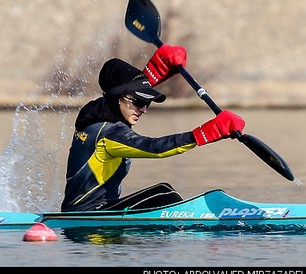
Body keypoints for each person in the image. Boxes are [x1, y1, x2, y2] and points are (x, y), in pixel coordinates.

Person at [60, 45, 246, 212]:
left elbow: (125, 91)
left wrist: (156, 70)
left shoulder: (97, 114)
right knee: (165, 196)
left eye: (146, 102)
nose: (144, 109)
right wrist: (204, 133)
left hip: (93, 209)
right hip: (91, 214)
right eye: (139, 102)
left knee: (163, 191)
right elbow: (154, 148)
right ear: (118, 98)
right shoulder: (110, 134)